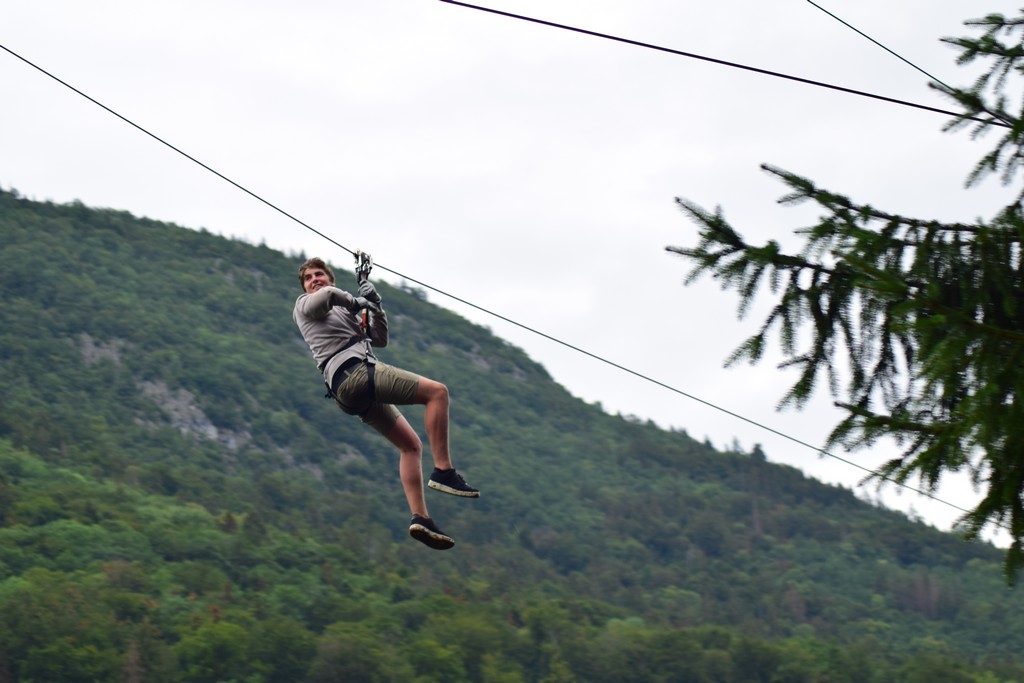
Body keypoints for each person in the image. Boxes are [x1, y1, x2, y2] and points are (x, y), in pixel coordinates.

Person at [292, 256, 478, 550]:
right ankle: (443, 470)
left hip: (352, 392)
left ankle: (420, 517)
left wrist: (375, 303)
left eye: (319, 275)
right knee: (437, 393)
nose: (314, 280)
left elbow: (379, 339)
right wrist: (356, 302)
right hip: (355, 375)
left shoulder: (346, 313)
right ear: (304, 286)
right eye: (308, 278)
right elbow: (327, 297)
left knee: (411, 446)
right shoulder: (305, 305)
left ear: (331, 277)